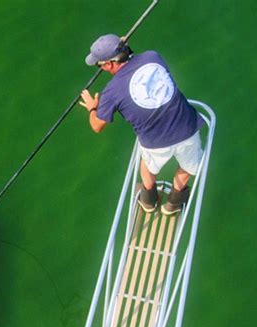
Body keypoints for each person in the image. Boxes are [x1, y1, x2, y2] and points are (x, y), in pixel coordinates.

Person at [79, 34, 203, 215]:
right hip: (188, 128)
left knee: (147, 166)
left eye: (100, 65)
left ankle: (149, 201)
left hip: (155, 143)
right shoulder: (153, 56)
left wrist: (92, 108)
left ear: (109, 64)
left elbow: (97, 126)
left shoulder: (111, 92)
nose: (101, 68)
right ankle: (174, 203)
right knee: (189, 166)